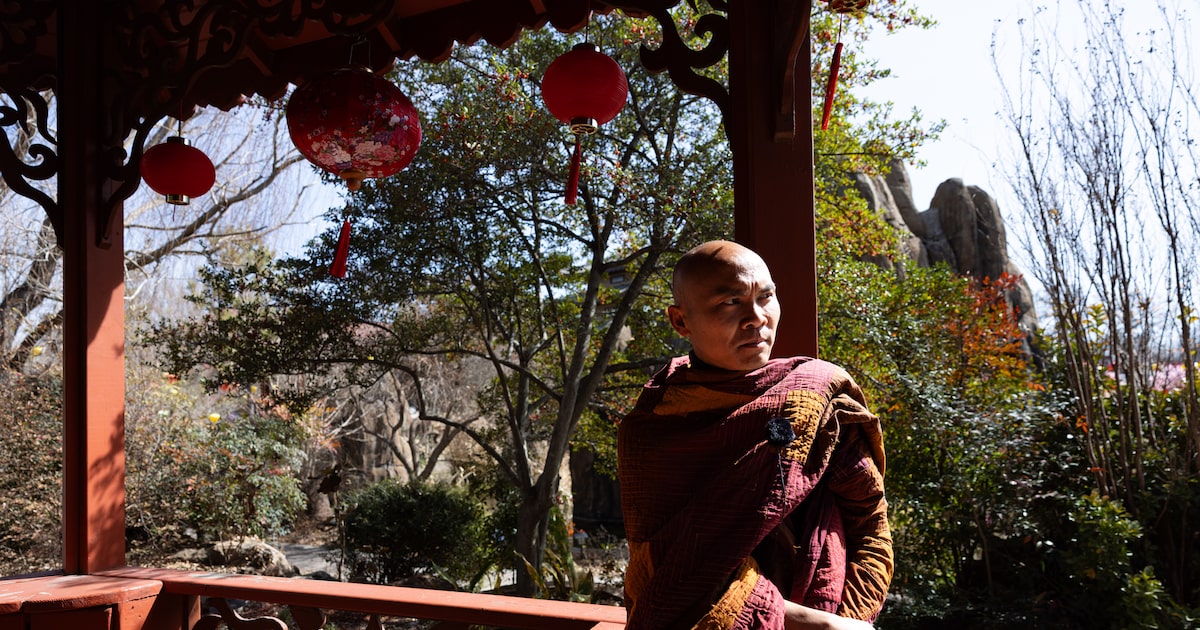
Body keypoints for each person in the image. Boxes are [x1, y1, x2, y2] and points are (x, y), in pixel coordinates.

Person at [618, 240, 893, 630]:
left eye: (766, 297)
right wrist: (819, 625)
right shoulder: (656, 426)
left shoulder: (814, 393)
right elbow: (674, 574)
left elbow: (869, 520)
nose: (756, 318)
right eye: (730, 303)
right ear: (680, 321)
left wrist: (851, 617)